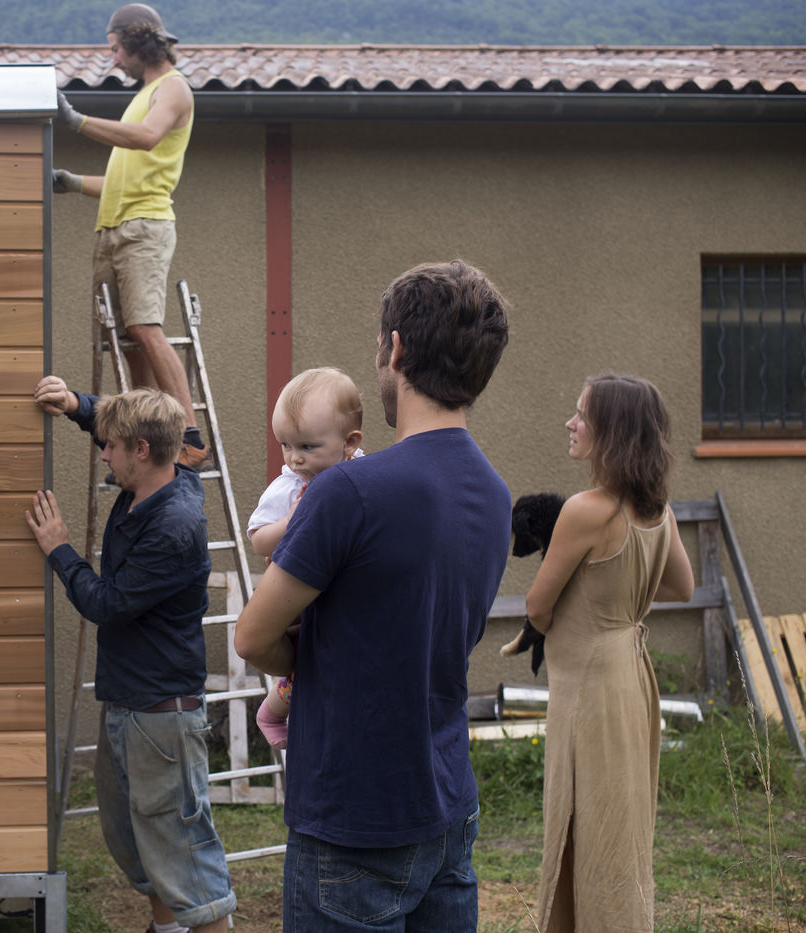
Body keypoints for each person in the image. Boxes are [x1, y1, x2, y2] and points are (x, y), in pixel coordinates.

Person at [234, 260, 512, 932]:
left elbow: (251, 637)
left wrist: (306, 660)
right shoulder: (495, 493)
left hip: (353, 817)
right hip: (448, 804)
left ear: (396, 349)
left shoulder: (348, 491)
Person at [26, 376, 236, 933]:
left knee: (185, 861)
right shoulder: (168, 467)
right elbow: (120, 422)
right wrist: (76, 405)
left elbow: (108, 604)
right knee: (141, 846)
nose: (104, 453)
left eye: (111, 446)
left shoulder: (173, 526)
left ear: (142, 450)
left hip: (160, 718)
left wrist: (59, 548)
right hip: (128, 704)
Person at [500, 373, 694, 932]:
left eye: (582, 415)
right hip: (631, 676)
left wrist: (586, 609)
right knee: (620, 821)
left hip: (587, 688)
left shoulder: (588, 510)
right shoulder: (657, 511)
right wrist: (617, 602)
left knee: (585, 823)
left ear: (613, 432)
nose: (570, 423)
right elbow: (680, 587)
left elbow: (538, 606)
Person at [51, 3, 212, 471]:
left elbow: (145, 137)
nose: (114, 59)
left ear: (138, 42)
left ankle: (189, 436)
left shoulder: (173, 88)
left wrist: (76, 121)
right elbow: (120, 181)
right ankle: (148, 426)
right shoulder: (142, 96)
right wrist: (72, 182)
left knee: (144, 327)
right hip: (114, 226)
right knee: (126, 338)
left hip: (145, 225)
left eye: (116, 48)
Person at [245, 366, 365, 750]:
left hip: (344, 589)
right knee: (305, 656)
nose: (294, 458)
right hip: (299, 593)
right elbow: (258, 540)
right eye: (286, 445)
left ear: (350, 443)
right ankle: (272, 710)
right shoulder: (289, 487)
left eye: (307, 447)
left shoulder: (363, 473)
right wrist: (291, 521)